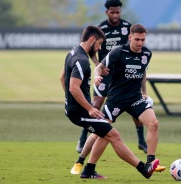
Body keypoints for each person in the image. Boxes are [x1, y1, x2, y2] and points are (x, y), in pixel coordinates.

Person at [60, 25, 159, 179]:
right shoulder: (116, 52)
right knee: (104, 133)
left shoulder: (147, 54)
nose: (100, 48)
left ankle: (151, 163)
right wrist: (97, 78)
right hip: (116, 99)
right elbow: (97, 69)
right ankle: (84, 163)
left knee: (153, 124)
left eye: (143, 39)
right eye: (99, 44)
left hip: (135, 98)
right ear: (130, 37)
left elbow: (142, 71)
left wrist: (144, 93)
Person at [76, 0, 148, 154]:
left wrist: (143, 89)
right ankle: (83, 139)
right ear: (106, 12)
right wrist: (98, 65)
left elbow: (135, 54)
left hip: (122, 76)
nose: (115, 15)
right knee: (95, 106)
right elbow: (91, 51)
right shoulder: (100, 28)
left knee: (135, 106)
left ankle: (141, 140)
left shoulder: (127, 27)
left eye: (118, 12)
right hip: (105, 73)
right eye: (112, 12)